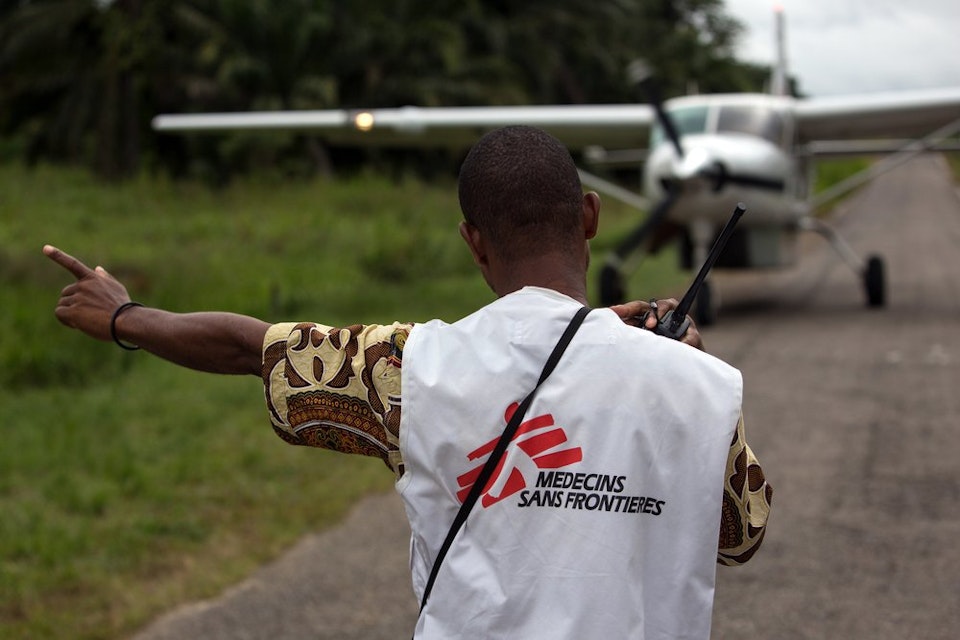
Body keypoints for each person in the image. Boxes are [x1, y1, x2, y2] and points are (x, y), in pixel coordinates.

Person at [45, 125, 771, 639]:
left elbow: (249, 347)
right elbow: (741, 532)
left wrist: (125, 316)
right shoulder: (695, 383)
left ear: (473, 241)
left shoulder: (412, 369)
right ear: (588, 218)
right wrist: (678, 365)